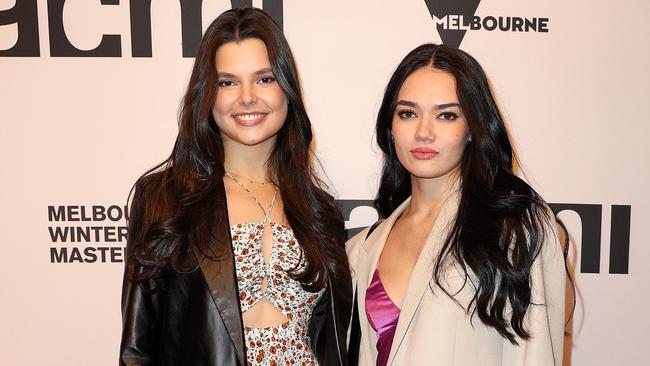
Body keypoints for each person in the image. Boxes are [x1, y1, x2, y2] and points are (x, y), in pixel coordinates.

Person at [119, 8, 351, 366]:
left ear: (287, 89)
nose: (247, 98)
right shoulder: (165, 199)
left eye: (264, 79)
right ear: (207, 95)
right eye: (227, 82)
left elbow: (331, 342)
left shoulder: (320, 211)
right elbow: (136, 351)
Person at [346, 44, 567, 366]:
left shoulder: (516, 227)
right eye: (408, 113)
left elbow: (534, 356)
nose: (423, 132)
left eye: (446, 115)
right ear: (390, 128)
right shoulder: (362, 248)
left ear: (472, 129)